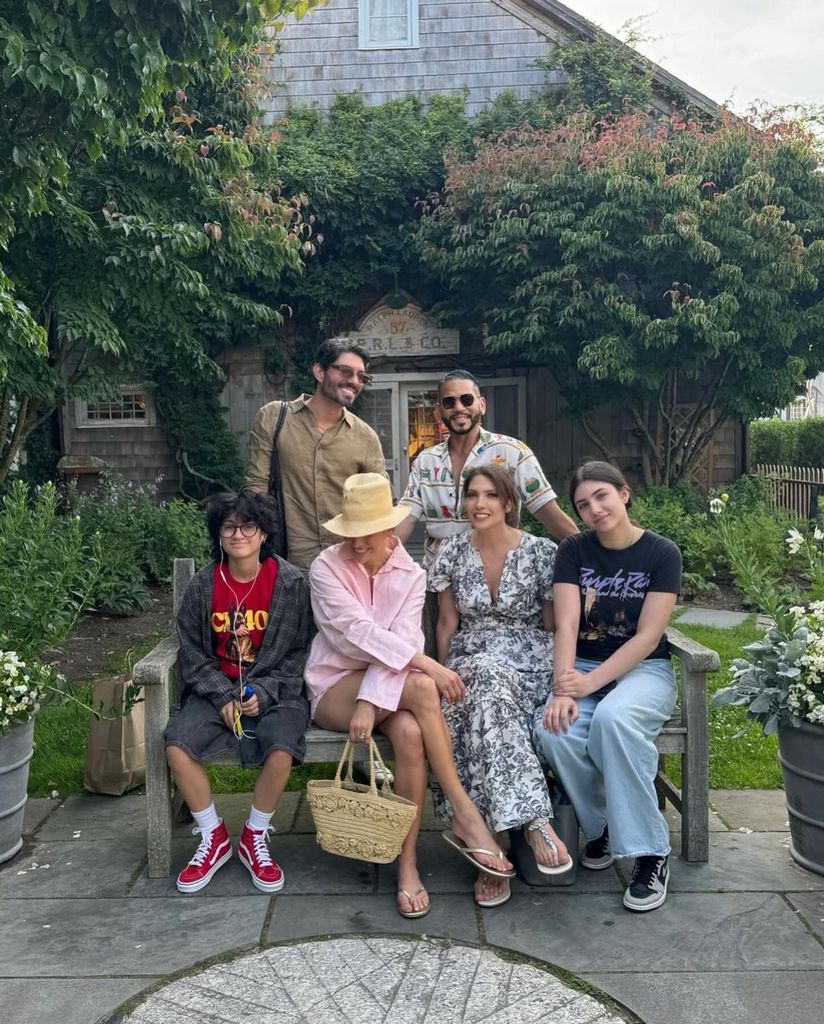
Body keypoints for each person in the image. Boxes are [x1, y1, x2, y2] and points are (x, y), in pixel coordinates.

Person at [304, 472, 515, 919]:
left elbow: (397, 636)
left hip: (387, 694)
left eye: (367, 534)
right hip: (334, 686)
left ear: (388, 527)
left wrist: (373, 698)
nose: (356, 544)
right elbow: (352, 637)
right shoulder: (326, 567)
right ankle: (464, 813)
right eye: (350, 534)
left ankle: (407, 865)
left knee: (411, 736)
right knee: (422, 684)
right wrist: (424, 664)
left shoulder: (411, 572)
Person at [533, 461, 682, 913]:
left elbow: (648, 637)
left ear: (624, 493)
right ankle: (600, 827)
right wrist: (563, 689)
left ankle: (650, 852)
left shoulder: (661, 553)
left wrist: (590, 684)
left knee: (615, 721)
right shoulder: (574, 551)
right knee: (552, 730)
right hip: (579, 664)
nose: (594, 509)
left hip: (642, 671)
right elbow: (566, 623)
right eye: (582, 504)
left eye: (602, 496)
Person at [428, 465, 573, 908]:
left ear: (509, 503)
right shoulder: (449, 552)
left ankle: (491, 846)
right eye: (471, 495)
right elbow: (447, 626)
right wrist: (440, 673)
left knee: (487, 692)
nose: (479, 504)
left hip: (528, 663)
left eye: (490, 495)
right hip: (470, 663)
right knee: (474, 690)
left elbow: (551, 625)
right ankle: (530, 819)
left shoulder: (542, 552)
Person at [165, 491, 313, 894]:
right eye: (229, 527)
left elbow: (300, 652)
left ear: (263, 533)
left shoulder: (291, 585)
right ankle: (213, 837)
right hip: (215, 690)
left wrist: (264, 692)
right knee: (177, 746)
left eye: (248, 526)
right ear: (218, 535)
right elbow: (191, 653)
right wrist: (222, 696)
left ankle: (254, 835)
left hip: (275, 690)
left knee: (282, 748)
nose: (238, 535)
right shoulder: (203, 587)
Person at [395, 369, 578, 566]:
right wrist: (380, 560)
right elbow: (407, 516)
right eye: (449, 402)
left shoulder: (512, 452)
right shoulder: (426, 460)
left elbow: (546, 510)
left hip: (495, 574)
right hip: (437, 577)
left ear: (481, 405)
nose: (458, 408)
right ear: (439, 411)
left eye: (466, 400)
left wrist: (587, 553)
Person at [244, 339, 387, 570]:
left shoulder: (365, 437)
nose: (354, 381)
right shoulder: (273, 418)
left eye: (361, 377)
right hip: (287, 564)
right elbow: (255, 488)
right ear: (319, 371)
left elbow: (380, 505)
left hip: (347, 566)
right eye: (346, 371)